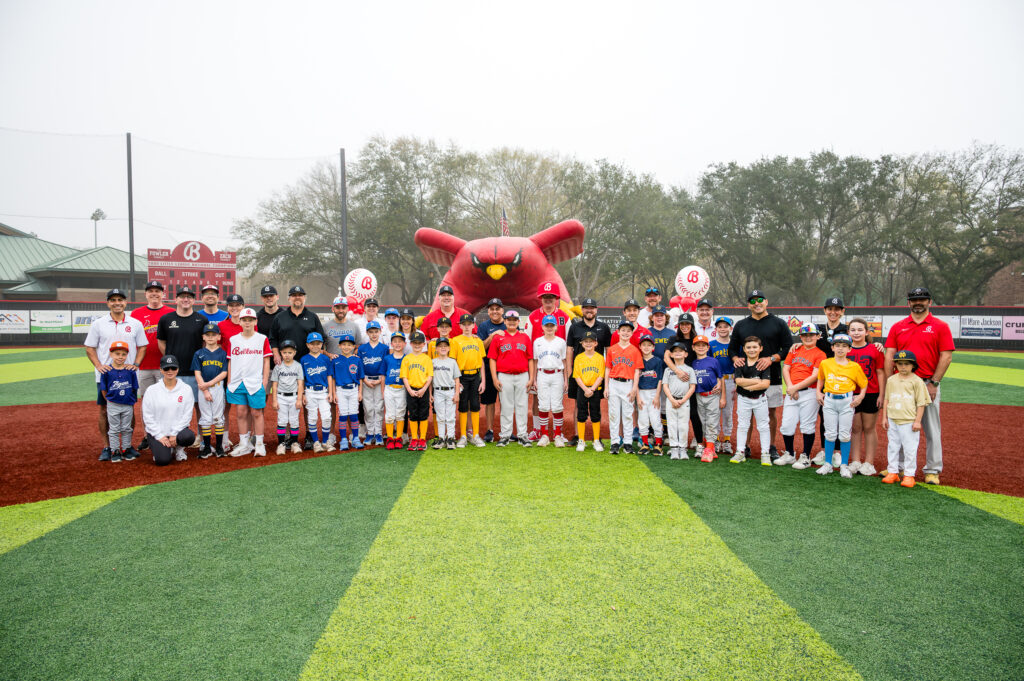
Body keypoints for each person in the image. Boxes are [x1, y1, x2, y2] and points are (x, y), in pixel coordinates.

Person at [883, 287, 955, 485]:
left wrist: (934, 383)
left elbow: (946, 356)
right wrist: (891, 382)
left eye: (922, 299)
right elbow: (889, 354)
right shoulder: (898, 326)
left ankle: (932, 469)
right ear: (908, 303)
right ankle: (895, 467)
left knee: (931, 428)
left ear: (929, 302)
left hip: (926, 382)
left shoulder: (940, 326)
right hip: (901, 384)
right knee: (899, 425)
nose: (918, 302)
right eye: (914, 299)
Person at [728, 290, 794, 462]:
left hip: (771, 376)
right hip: (747, 375)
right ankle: (745, 447)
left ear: (766, 301)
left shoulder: (778, 323)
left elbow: (788, 348)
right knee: (746, 414)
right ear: (748, 305)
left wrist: (771, 358)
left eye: (759, 300)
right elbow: (732, 349)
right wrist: (736, 359)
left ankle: (771, 447)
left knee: (770, 412)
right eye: (752, 301)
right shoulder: (741, 325)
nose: (756, 303)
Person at [85, 288, 148, 461]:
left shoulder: (135, 323)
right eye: (113, 300)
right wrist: (98, 365)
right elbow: (89, 347)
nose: (117, 303)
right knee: (105, 409)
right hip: (106, 375)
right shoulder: (98, 323)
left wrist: (136, 364)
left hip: (128, 375)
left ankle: (127, 446)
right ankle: (108, 447)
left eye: (120, 299)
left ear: (125, 302)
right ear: (108, 303)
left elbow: (142, 346)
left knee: (129, 408)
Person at [815, 334, 868, 478]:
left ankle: (844, 465)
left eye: (844, 346)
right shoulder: (826, 363)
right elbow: (821, 378)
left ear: (850, 349)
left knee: (844, 435)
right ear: (832, 347)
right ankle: (828, 464)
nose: (840, 348)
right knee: (830, 433)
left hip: (846, 401)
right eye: (837, 345)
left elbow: (863, 384)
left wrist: (861, 396)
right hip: (829, 400)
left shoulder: (854, 366)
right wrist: (818, 392)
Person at [130, 280, 173, 451]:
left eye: (157, 291)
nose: (154, 293)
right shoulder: (136, 313)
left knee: (167, 401)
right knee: (147, 402)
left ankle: (167, 433)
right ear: (146, 294)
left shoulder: (171, 312)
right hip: (144, 365)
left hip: (166, 367)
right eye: (151, 291)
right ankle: (149, 435)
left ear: (163, 293)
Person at [526, 281, 572, 441]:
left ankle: (558, 433)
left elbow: (569, 345)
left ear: (556, 298)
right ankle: (538, 429)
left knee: (558, 400)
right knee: (537, 399)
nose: (548, 300)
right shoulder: (533, 316)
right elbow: (527, 344)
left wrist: (568, 373)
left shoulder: (564, 317)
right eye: (545, 297)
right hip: (539, 366)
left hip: (558, 365)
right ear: (541, 298)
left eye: (551, 297)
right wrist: (531, 375)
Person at [777, 323, 825, 470]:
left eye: (811, 335)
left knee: (807, 425)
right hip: (793, 391)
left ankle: (805, 456)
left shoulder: (820, 354)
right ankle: (790, 453)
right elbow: (786, 368)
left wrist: (794, 388)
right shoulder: (795, 349)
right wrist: (791, 387)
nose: (808, 337)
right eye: (805, 335)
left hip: (809, 392)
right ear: (801, 337)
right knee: (786, 425)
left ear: (818, 336)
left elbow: (815, 376)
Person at [565, 298, 613, 444]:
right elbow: (569, 350)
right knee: (577, 404)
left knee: (595, 406)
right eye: (586, 308)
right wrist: (569, 373)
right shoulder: (575, 327)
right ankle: (577, 435)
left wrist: (607, 375)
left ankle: (596, 437)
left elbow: (609, 351)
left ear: (596, 310)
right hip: (579, 373)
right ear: (582, 310)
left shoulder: (603, 327)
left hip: (596, 374)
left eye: (592, 308)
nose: (589, 310)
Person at [881, 350, 931, 488]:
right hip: (893, 419)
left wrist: (917, 421)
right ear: (895, 365)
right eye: (900, 364)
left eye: (907, 364)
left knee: (910, 449)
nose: (903, 367)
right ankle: (893, 472)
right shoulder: (891, 380)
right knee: (893, 446)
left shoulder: (917, 381)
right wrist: (884, 417)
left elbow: (921, 403)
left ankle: (909, 474)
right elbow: (886, 399)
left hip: (909, 421)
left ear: (913, 366)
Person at [226, 308, 272, 457]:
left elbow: (266, 361)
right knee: (240, 412)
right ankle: (244, 444)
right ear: (239, 321)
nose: (247, 322)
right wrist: (229, 381)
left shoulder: (262, 338)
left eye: (250, 320)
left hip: (255, 381)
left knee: (256, 412)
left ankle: (259, 444)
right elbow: (230, 361)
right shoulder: (233, 340)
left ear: (255, 321)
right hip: (238, 381)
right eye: (244, 319)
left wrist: (264, 381)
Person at [156, 285, 207, 408]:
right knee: (173, 406)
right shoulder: (165, 319)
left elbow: (204, 344)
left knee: (198, 406)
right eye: (182, 297)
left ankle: (200, 428)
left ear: (194, 300)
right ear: (176, 300)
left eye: (189, 297)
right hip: (173, 371)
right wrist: (171, 358)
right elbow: (161, 342)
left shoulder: (202, 320)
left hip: (195, 372)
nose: (186, 299)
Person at [847, 318, 886, 477]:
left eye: (860, 330)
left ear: (867, 332)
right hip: (850, 393)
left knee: (869, 428)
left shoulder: (875, 349)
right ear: (848, 332)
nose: (856, 333)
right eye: (853, 330)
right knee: (855, 429)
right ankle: (855, 460)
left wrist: (882, 395)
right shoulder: (845, 349)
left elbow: (880, 372)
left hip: (871, 392)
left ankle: (869, 462)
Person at [142, 355, 197, 466]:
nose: (170, 371)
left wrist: (173, 434)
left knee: (189, 437)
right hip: (158, 433)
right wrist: (160, 436)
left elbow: (187, 416)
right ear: (161, 370)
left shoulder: (186, 389)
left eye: (173, 368)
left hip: (177, 433)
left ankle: (179, 448)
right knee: (162, 461)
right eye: (166, 368)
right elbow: (147, 416)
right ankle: (167, 448)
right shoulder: (152, 390)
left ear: (178, 369)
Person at [489, 309, 533, 447]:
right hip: (504, 375)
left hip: (522, 375)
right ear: (505, 321)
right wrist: (495, 378)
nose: (512, 322)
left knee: (522, 406)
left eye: (514, 320)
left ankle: (522, 435)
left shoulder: (525, 337)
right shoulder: (498, 337)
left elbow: (530, 359)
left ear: (518, 321)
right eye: (509, 320)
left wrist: (531, 378)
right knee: (506, 407)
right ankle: (505, 435)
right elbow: (492, 359)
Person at [530, 314, 569, 447]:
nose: (549, 328)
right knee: (543, 405)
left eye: (552, 326)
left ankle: (557, 435)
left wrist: (566, 380)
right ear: (542, 327)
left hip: (557, 374)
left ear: (556, 327)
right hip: (542, 374)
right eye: (547, 326)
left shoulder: (561, 342)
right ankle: (544, 435)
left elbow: (564, 360)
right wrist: (534, 379)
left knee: (557, 406)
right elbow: (535, 362)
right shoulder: (537, 342)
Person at [731, 336, 771, 465]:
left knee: (763, 426)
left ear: (761, 348)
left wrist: (746, 385)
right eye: (748, 347)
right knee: (742, 425)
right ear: (744, 349)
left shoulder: (763, 364)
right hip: (744, 399)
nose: (752, 350)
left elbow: (765, 384)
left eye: (755, 347)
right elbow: (738, 381)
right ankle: (740, 452)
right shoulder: (740, 363)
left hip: (760, 399)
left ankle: (765, 453)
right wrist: (755, 381)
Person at [605, 319, 643, 455]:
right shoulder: (612, 349)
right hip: (614, 383)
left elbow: (637, 371)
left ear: (632, 333)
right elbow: (608, 369)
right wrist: (606, 387)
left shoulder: (635, 350)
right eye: (623, 330)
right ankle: (614, 442)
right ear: (618, 332)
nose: (625, 333)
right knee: (614, 415)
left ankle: (627, 443)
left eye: (628, 330)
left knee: (627, 415)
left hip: (628, 384)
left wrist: (634, 388)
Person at [665, 312, 701, 451]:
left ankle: (699, 443)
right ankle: (676, 443)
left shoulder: (696, 339)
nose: (685, 326)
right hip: (677, 378)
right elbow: (666, 357)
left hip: (691, 378)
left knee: (693, 413)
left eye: (687, 324)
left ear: (691, 325)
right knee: (674, 412)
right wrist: (677, 371)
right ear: (678, 325)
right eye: (682, 324)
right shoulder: (673, 338)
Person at [99, 340, 140, 463]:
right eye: (117, 354)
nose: (120, 357)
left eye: (123, 354)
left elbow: (134, 388)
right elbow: (104, 390)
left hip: (127, 404)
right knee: (114, 429)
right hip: (113, 404)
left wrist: (131, 401)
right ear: (111, 354)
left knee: (127, 428)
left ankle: (126, 449)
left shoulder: (130, 370)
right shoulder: (106, 371)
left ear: (127, 355)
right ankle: (115, 450)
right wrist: (110, 400)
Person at [191, 322, 228, 458]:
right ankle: (206, 447)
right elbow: (197, 372)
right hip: (203, 389)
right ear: (203, 337)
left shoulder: (222, 354)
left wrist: (209, 384)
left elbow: (224, 373)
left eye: (214, 335)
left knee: (218, 417)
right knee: (205, 417)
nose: (211, 337)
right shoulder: (199, 354)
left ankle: (219, 447)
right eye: (208, 335)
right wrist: (205, 390)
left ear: (219, 337)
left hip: (217, 388)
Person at [451, 313, 487, 448]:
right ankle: (463, 436)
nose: (466, 327)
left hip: (475, 376)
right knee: (463, 406)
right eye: (464, 324)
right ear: (460, 326)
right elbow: (453, 362)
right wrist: (456, 380)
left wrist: (483, 380)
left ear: (473, 325)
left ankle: (476, 435)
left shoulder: (478, 341)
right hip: (462, 377)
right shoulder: (455, 340)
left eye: (469, 324)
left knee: (475, 405)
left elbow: (482, 361)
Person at [216, 292, 246, 449]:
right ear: (227, 307)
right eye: (231, 306)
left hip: (246, 371)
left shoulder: (250, 324)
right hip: (228, 370)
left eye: (238, 305)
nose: (234, 308)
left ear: (243, 307)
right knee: (225, 407)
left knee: (245, 408)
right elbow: (217, 348)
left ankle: (247, 439)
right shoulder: (221, 325)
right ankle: (224, 439)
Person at [269, 285, 326, 363]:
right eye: (294, 295)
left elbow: (321, 338)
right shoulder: (279, 317)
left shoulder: (313, 317)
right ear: (289, 298)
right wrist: (276, 355)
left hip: (309, 363)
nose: (297, 297)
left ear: (305, 298)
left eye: (300, 295)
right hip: (285, 362)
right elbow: (273, 339)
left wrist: (319, 357)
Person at [691, 335, 725, 462]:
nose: (701, 347)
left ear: (708, 347)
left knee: (712, 421)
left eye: (703, 345)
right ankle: (710, 447)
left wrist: (722, 395)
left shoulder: (713, 361)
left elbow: (720, 377)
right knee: (703, 422)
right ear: (693, 348)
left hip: (712, 395)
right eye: (698, 345)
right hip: (699, 395)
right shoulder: (693, 363)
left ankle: (709, 448)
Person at [477, 298, 507, 442]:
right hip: (488, 369)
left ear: (502, 310)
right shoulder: (483, 326)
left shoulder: (509, 323)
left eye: (497, 308)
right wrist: (494, 334)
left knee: (506, 401)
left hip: (505, 368)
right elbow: (481, 346)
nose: (495, 311)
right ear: (488, 311)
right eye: (492, 309)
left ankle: (506, 430)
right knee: (489, 402)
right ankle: (489, 430)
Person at [572, 330, 606, 452]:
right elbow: (577, 376)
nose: (588, 344)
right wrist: (586, 389)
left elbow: (601, 376)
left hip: (595, 389)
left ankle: (596, 440)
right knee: (581, 414)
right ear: (582, 343)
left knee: (595, 414)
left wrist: (592, 389)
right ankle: (581, 440)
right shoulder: (579, 358)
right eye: (586, 342)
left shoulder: (600, 358)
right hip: (582, 389)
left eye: (591, 341)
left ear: (596, 343)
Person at [662, 342, 696, 460]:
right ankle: (674, 448)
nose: (677, 353)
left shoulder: (690, 369)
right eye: (675, 351)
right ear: (671, 354)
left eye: (680, 351)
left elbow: (692, 387)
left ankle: (683, 448)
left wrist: (683, 400)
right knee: (671, 425)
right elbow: (665, 386)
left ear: (685, 354)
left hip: (684, 401)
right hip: (671, 401)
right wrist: (672, 399)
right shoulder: (668, 370)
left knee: (683, 426)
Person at [330, 334, 365, 450]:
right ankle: (343, 439)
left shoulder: (357, 360)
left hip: (354, 389)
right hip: (341, 390)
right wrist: (334, 393)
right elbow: (333, 378)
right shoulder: (335, 360)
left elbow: (360, 377)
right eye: (344, 344)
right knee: (343, 415)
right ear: (339, 346)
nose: (346, 347)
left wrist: (360, 392)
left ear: (354, 346)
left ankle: (355, 438)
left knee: (354, 414)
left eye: (349, 345)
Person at [301, 332, 333, 452]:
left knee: (326, 417)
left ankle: (325, 442)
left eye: (318, 343)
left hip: (323, 391)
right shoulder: (304, 359)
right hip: (310, 392)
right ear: (307, 345)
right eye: (312, 344)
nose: (315, 346)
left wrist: (330, 392)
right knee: (312, 418)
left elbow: (329, 376)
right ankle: (316, 443)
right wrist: (303, 393)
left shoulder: (325, 358)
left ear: (322, 345)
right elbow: (302, 378)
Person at [401, 331, 433, 451]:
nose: (417, 345)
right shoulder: (407, 359)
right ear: (410, 344)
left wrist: (424, 389)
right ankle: (414, 438)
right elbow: (404, 376)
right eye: (414, 343)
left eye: (419, 343)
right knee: (413, 414)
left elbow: (430, 376)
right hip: (411, 390)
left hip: (423, 389)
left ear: (424, 344)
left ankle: (422, 438)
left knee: (423, 414)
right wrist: (409, 390)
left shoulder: (426, 359)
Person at [358, 321, 388, 446]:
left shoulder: (384, 348)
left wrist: (380, 380)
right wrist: (365, 380)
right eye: (371, 332)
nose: (374, 334)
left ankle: (379, 433)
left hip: (380, 380)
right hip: (366, 380)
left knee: (379, 407)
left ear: (380, 332)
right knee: (368, 408)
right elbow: (360, 366)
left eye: (376, 331)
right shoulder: (362, 348)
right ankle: (370, 433)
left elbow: (385, 365)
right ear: (367, 333)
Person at [270, 339, 303, 455]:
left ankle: (294, 443)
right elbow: (274, 384)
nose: (287, 355)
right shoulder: (278, 367)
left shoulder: (298, 366)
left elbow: (300, 384)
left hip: (294, 397)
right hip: (281, 397)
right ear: (280, 353)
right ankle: (281, 444)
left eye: (290, 352)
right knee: (282, 420)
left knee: (294, 420)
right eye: (284, 352)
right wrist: (274, 400)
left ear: (294, 353)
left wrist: (299, 399)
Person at [709, 317, 735, 454]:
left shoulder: (736, 345)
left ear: (731, 328)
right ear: (716, 329)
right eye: (720, 326)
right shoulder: (711, 344)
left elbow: (740, 365)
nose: (723, 329)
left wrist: (737, 383)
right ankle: (717, 439)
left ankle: (727, 440)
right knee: (714, 411)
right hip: (715, 382)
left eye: (726, 326)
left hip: (730, 380)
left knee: (727, 412)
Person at [635, 337, 664, 455]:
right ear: (640, 347)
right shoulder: (638, 360)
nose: (646, 347)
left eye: (649, 345)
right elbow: (635, 380)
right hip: (641, 392)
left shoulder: (657, 361)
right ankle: (645, 444)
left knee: (655, 419)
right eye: (644, 345)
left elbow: (660, 380)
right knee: (642, 420)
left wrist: (657, 396)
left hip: (653, 392)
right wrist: (637, 396)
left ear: (653, 347)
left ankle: (658, 444)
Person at [431, 337, 461, 449]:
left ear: (449, 348)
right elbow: (430, 380)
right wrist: (430, 394)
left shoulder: (452, 361)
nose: (443, 348)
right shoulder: (433, 362)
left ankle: (451, 438)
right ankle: (441, 438)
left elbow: (457, 379)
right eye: (440, 346)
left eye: (445, 346)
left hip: (450, 391)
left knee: (450, 416)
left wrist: (457, 393)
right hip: (438, 391)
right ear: (436, 348)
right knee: (440, 416)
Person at [382, 332, 408, 449]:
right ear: (391, 344)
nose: (397, 344)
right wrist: (383, 390)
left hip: (401, 389)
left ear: (404, 344)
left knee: (400, 414)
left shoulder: (407, 358)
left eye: (400, 341)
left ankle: (398, 437)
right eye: (395, 342)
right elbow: (383, 375)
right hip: (389, 388)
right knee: (389, 415)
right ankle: (390, 438)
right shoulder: (387, 358)